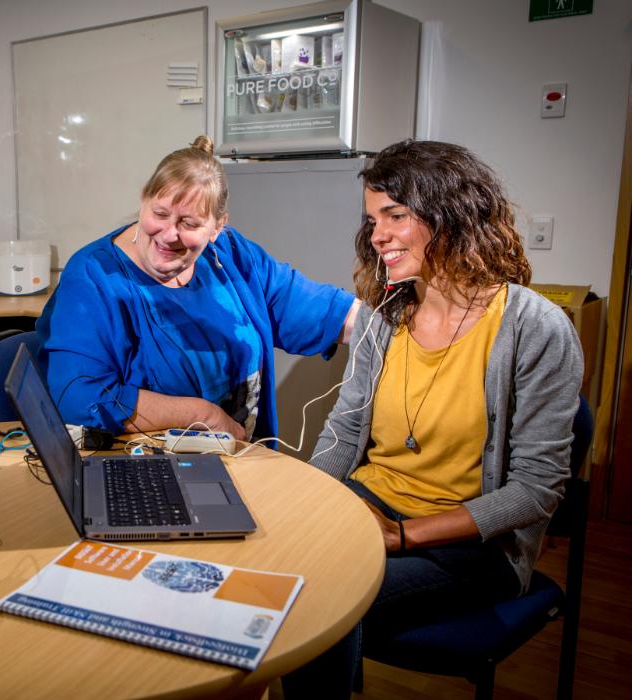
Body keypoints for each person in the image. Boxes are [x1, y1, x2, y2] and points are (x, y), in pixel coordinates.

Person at [287, 139, 583, 697]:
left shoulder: (535, 328)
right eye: (372, 219)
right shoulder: (385, 316)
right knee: (272, 567)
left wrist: (400, 536)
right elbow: (346, 430)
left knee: (314, 604)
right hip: (372, 507)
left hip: (472, 543)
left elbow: (536, 490)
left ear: (450, 214)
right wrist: (306, 500)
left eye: (394, 216)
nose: (377, 235)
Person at [35, 135, 359, 442]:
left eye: (189, 224)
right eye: (159, 214)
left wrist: (397, 323)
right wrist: (203, 415)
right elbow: (78, 398)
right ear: (143, 201)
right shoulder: (94, 276)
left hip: (242, 458)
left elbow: (315, 309)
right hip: (149, 470)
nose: (168, 234)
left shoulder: (230, 255)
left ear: (218, 227)